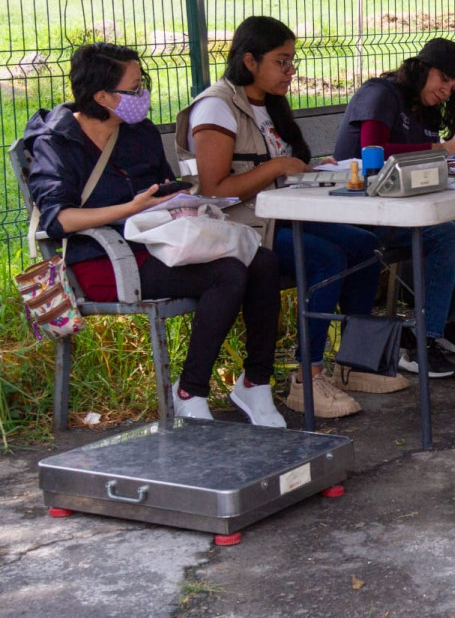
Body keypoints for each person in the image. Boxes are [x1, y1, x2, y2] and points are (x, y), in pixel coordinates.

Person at [23, 43, 286, 427]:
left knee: (262, 260)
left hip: (158, 241)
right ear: (102, 97)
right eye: (135, 88)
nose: (144, 95)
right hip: (102, 260)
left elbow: (160, 186)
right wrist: (131, 208)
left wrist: (179, 196)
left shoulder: (138, 131)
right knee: (227, 273)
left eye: (143, 82)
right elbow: (60, 219)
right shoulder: (56, 143)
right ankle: (190, 391)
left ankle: (256, 382)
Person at [177, 16, 382, 418]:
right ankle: (308, 376)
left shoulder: (269, 101)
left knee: (365, 246)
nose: (291, 71)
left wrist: (311, 169)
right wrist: (277, 168)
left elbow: (282, 163)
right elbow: (214, 187)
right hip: (241, 226)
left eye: (293, 61)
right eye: (282, 61)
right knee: (326, 259)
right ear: (249, 60)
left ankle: (354, 363)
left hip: (283, 213)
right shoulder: (217, 106)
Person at [333, 38, 455, 379]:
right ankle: (419, 339)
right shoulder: (382, 94)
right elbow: (372, 149)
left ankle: (451, 323)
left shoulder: (422, 108)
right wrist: (439, 148)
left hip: (407, 205)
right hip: (365, 210)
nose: (446, 92)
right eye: (444, 81)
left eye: (453, 89)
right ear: (424, 69)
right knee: (450, 235)